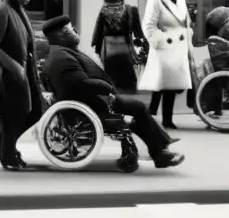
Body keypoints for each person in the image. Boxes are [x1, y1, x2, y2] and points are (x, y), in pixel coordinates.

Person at [42, 16, 183, 168]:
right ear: (61, 34)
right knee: (138, 108)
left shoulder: (62, 53)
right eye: (71, 30)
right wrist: (107, 87)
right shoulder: (62, 57)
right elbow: (80, 84)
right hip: (95, 106)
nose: (76, 32)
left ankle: (160, 145)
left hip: (91, 102)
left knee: (136, 107)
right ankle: (160, 152)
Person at [0, 0, 48, 170]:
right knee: (12, 116)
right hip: (8, 75)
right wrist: (14, 66)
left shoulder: (17, 9)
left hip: (26, 72)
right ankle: (8, 155)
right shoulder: (1, 10)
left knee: (33, 111)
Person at [139, 0, 193, 130]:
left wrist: (188, 36)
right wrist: (159, 40)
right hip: (165, 45)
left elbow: (185, 20)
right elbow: (148, 24)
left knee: (166, 83)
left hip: (180, 44)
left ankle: (152, 111)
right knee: (168, 85)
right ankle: (167, 119)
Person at [89, 0, 146, 94]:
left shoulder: (103, 11)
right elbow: (138, 33)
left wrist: (97, 49)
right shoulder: (131, 11)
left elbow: (98, 34)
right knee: (129, 82)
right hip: (124, 48)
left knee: (112, 83)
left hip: (108, 49)